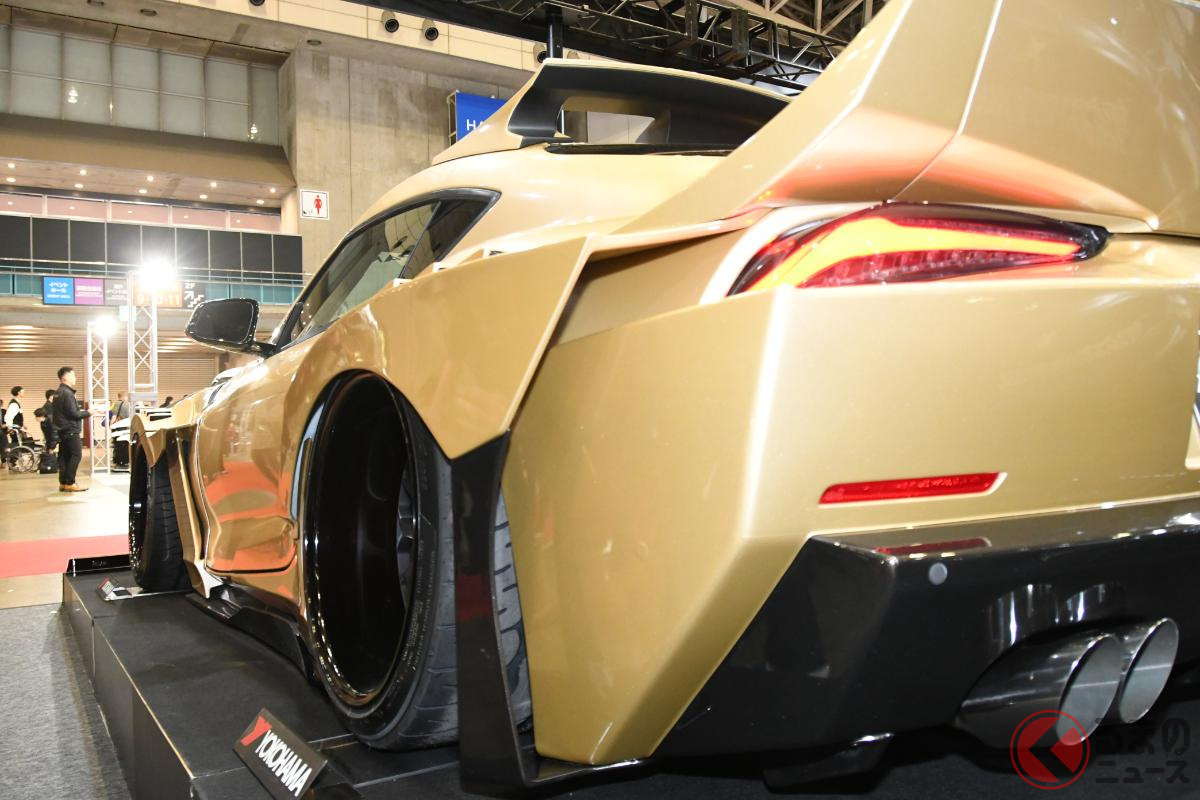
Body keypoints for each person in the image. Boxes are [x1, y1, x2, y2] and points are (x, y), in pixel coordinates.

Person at [51, 367, 89, 492]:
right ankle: (70, 482)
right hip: (70, 429)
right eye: (73, 375)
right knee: (76, 455)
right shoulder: (67, 393)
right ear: (65, 377)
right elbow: (73, 413)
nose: (75, 377)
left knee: (64, 456)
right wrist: (89, 412)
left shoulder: (58, 392)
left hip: (62, 429)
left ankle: (63, 482)